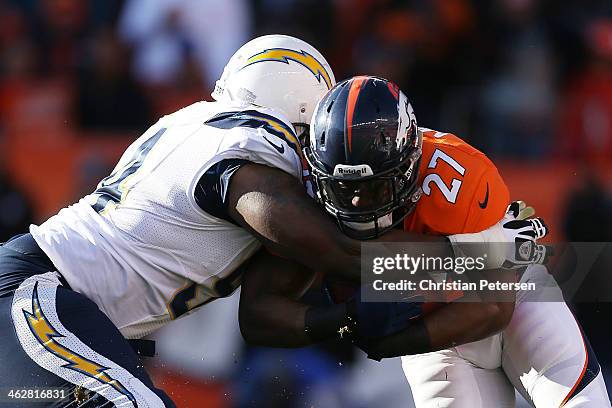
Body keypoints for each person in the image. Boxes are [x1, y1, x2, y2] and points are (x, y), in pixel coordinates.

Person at [0, 35, 545, 407]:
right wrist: (489, 252)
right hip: (36, 296)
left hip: (56, 307)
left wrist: (343, 322)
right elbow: (340, 251)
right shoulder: (247, 149)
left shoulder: (195, 125)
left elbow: (262, 315)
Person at [239, 76, 610, 407]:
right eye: (342, 188)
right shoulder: (307, 203)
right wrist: (343, 321)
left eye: (373, 188)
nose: (354, 202)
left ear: (409, 168)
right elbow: (258, 315)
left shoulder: (457, 176)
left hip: (507, 307)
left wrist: (388, 343)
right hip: (437, 348)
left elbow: (495, 306)